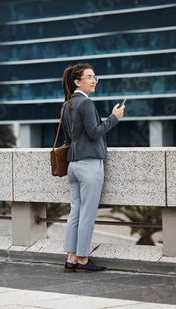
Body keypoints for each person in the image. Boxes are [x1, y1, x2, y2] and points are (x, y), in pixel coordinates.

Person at [61, 63, 124, 273]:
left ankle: (71, 258)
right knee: (87, 213)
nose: (94, 80)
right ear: (77, 82)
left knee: (75, 212)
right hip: (89, 164)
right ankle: (83, 260)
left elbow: (68, 138)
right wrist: (114, 118)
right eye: (89, 77)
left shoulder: (67, 104)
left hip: (73, 165)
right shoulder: (86, 104)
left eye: (95, 77)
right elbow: (95, 133)